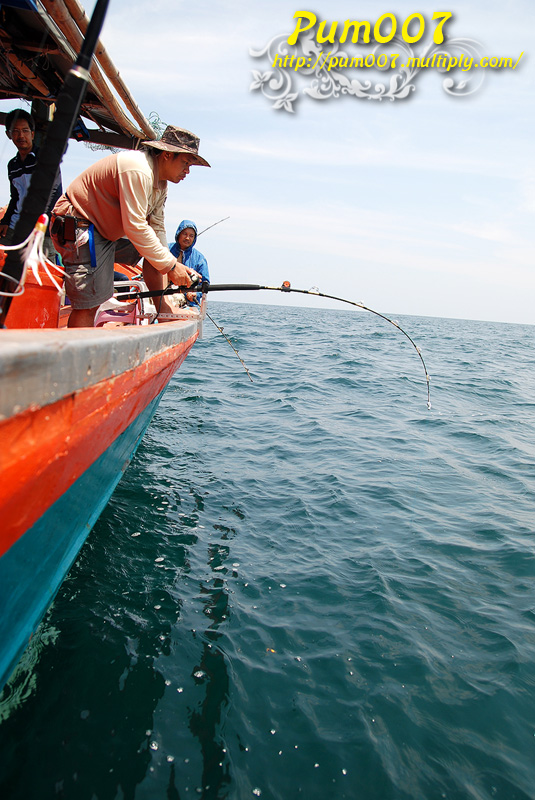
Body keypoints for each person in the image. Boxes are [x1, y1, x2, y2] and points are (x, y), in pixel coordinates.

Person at [50, 125, 210, 327]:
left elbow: (156, 228)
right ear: (167, 155)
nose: (187, 171)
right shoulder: (138, 170)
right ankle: (79, 356)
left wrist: (170, 263)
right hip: (80, 225)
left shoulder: (161, 183)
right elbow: (135, 226)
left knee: (156, 252)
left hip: (107, 233)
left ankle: (163, 310)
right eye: (185, 163)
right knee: (88, 304)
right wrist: (171, 266)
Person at [0, 108, 62, 253]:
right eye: (15, 131)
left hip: (41, 228)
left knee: (43, 271)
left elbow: (54, 193)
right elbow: (15, 197)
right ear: (8, 134)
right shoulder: (12, 165)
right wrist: (5, 221)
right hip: (15, 226)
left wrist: (39, 223)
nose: (21, 135)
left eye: (25, 130)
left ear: (32, 134)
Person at [169, 219, 209, 306]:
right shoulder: (166, 249)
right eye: (185, 234)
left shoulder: (200, 259)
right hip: (164, 295)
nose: (187, 238)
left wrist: (195, 293)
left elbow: (205, 284)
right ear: (178, 234)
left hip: (189, 304)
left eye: (191, 236)